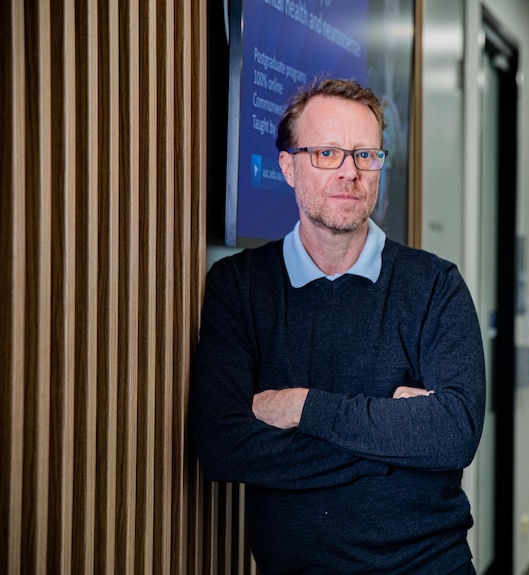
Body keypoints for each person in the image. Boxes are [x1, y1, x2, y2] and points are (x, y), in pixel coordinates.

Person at [189, 78, 486, 575]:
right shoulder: (238, 287)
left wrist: (302, 406)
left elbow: (454, 434)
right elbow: (221, 447)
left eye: (365, 155)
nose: (350, 172)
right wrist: (398, 442)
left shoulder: (435, 285)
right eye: (327, 153)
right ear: (288, 167)